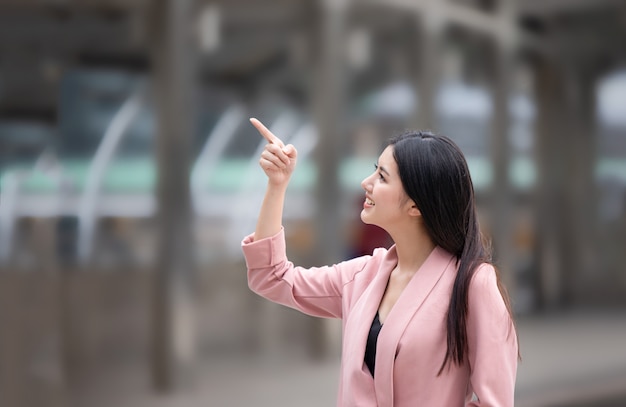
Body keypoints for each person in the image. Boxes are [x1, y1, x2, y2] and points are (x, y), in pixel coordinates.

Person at [241, 117, 519, 406]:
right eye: (375, 171)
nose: (366, 182)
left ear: (415, 205)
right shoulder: (362, 275)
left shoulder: (473, 283)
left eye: (382, 177)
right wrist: (277, 185)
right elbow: (271, 277)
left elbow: (494, 402)